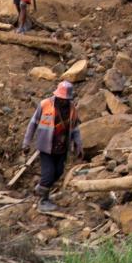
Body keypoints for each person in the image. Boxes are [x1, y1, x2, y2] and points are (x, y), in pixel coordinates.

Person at [22, 81, 82, 213]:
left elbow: (76, 128)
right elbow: (32, 124)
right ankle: (42, 201)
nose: (63, 101)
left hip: (62, 148)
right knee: (48, 175)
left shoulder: (72, 108)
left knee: (58, 172)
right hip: (46, 147)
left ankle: (41, 189)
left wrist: (78, 145)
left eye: (65, 99)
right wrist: (26, 143)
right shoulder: (45, 104)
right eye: (61, 98)